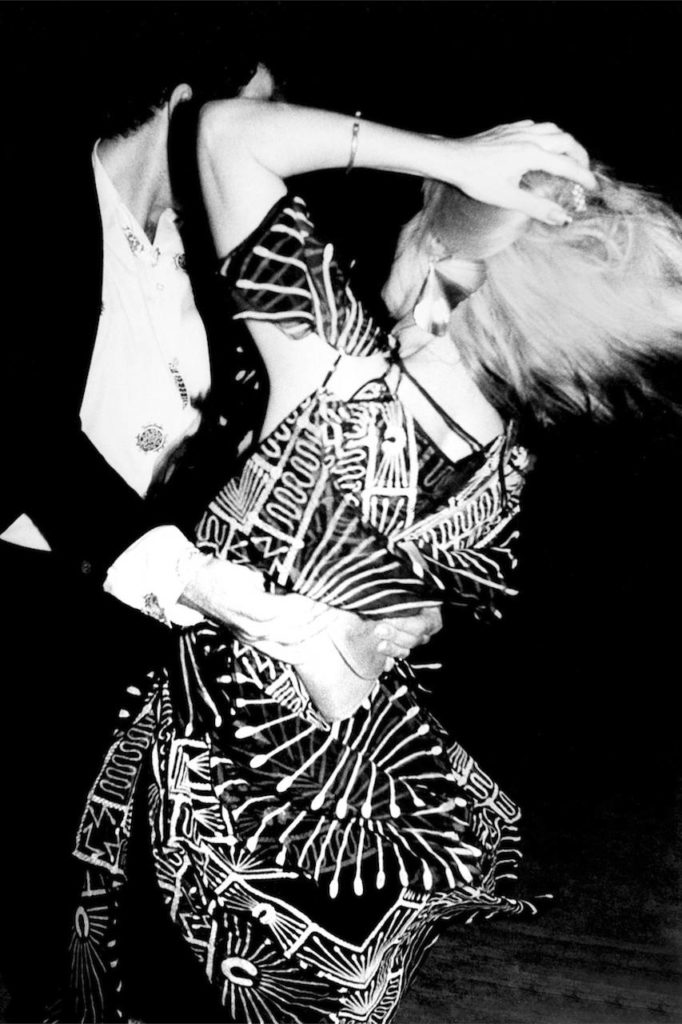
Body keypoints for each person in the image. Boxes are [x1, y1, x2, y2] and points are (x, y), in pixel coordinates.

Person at [47, 99, 598, 1024]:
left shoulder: (334, 366)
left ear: (436, 258)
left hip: (213, 827)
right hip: (346, 844)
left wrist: (446, 156)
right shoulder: (507, 471)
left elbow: (226, 136)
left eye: (420, 220)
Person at [0, 29, 434, 1022]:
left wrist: (353, 583)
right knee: (40, 913)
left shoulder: (198, 256)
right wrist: (189, 574)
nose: (268, 145)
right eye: (259, 117)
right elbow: (20, 436)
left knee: (121, 926)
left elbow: (249, 455)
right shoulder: (29, 207)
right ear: (186, 102)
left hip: (136, 634)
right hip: (25, 623)